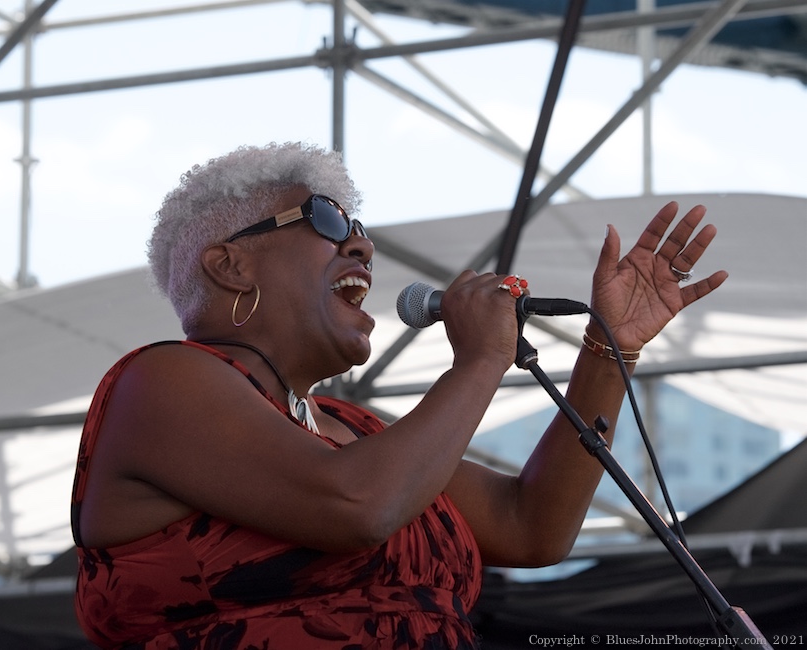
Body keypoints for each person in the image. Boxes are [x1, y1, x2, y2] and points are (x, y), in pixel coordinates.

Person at [71, 141, 727, 649]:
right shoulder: (160, 383)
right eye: (327, 220)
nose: (362, 243)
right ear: (230, 264)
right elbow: (355, 504)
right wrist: (481, 360)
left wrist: (610, 351)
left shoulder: (355, 431)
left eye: (360, 226)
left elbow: (532, 529)